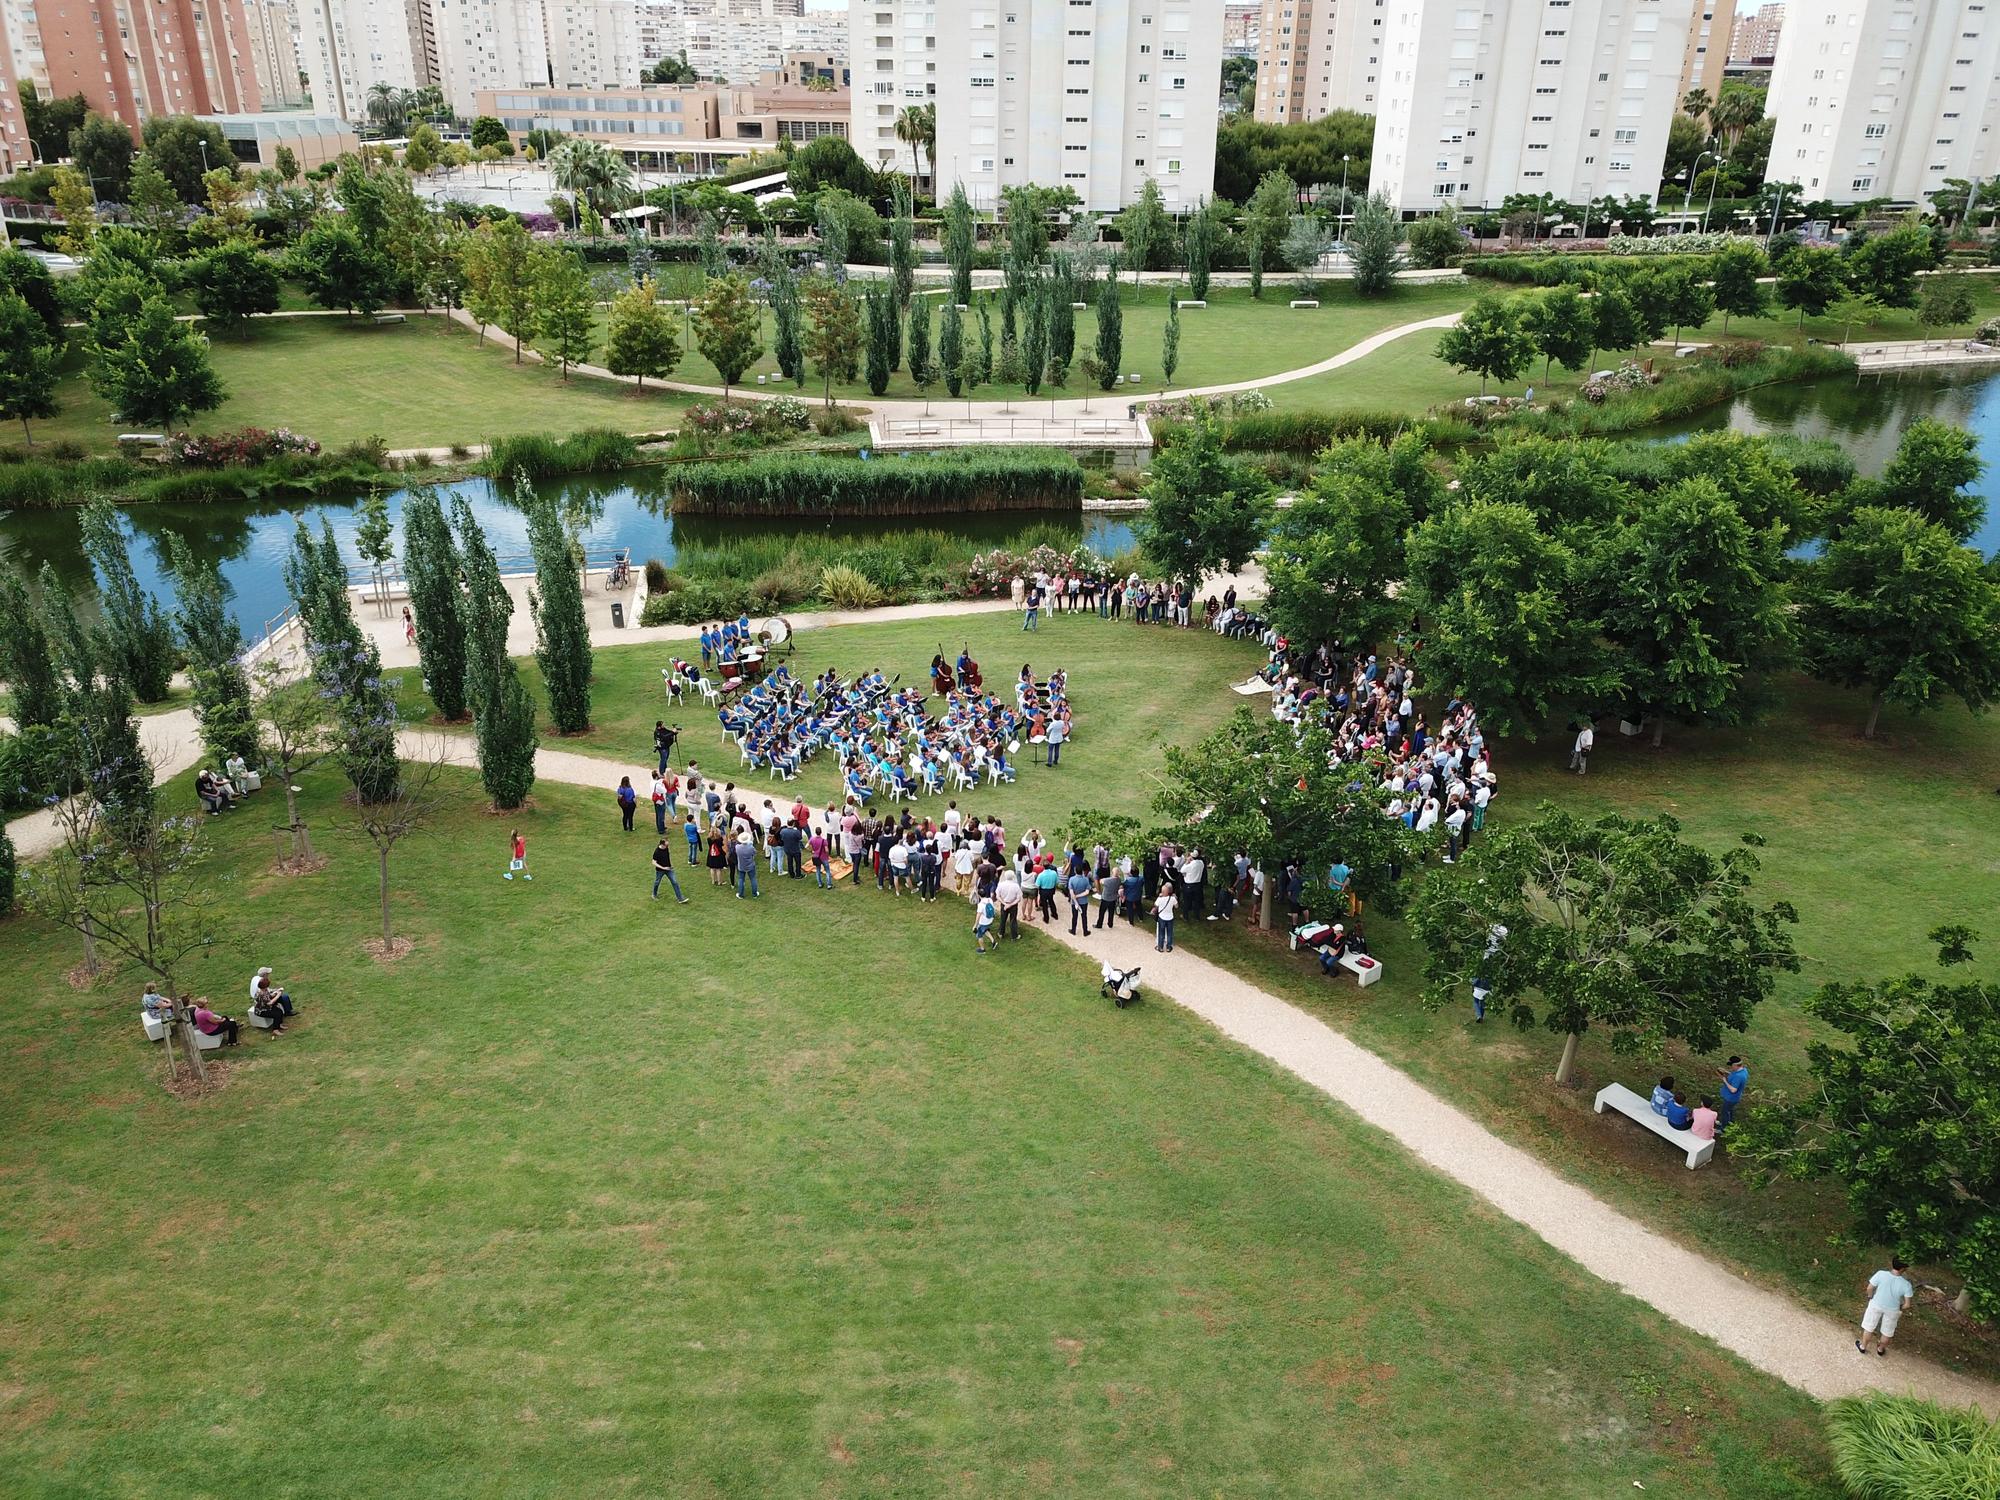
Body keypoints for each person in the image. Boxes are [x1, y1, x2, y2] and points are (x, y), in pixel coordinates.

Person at [1858, 1258, 1915, 1357]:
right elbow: (1907, 1305)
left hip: (1876, 1304)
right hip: (1892, 1310)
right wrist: (1899, 1307)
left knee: (1869, 1326)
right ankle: (1880, 1349)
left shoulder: (1881, 1274)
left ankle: (1863, 1346)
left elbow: (1869, 1288)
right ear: (1903, 1269)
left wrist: (1870, 1296)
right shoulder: (1906, 1285)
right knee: (1887, 1331)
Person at [651, 838, 688, 902]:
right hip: (660, 870)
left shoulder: (666, 848)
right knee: (657, 882)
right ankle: (654, 894)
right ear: (662, 844)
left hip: (669, 869)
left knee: (675, 882)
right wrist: (663, 868)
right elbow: (653, 862)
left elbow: (666, 858)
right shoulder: (657, 851)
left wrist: (670, 866)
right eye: (666, 845)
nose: (668, 846)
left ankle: (680, 898)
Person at [1717, 1055, 1749, 1129]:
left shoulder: (1739, 1076)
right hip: (1734, 1098)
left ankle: (1723, 1128)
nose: (1731, 1067)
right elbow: (1734, 1076)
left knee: (1725, 1112)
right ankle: (1730, 1124)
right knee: (1729, 1111)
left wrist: (1724, 1080)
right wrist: (1726, 1072)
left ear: (1735, 1065)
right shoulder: (1744, 1070)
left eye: (1731, 1065)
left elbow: (1733, 1090)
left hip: (1730, 1098)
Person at [732, 831, 760, 899]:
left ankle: (741, 894)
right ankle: (754, 894)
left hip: (741, 865)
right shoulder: (750, 847)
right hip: (750, 865)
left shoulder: (737, 847)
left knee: (741, 879)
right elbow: (754, 853)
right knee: (753, 879)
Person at [1153, 886, 1179, 952]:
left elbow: (1155, 905)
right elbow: (1176, 906)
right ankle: (1168, 947)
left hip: (1162, 917)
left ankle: (1160, 947)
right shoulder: (1172, 899)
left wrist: (1160, 896)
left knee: (1161, 933)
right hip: (1170, 917)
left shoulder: (1159, 899)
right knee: (1169, 933)